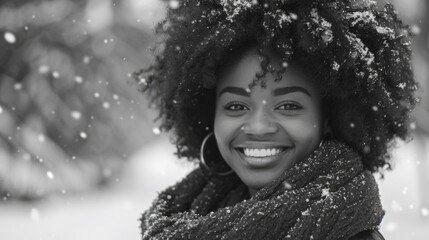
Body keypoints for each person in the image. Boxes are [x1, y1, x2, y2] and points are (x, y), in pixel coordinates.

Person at [135, 0, 418, 239]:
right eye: (235, 105)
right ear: (210, 114)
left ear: (329, 118)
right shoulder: (187, 213)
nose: (258, 126)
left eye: (288, 105)